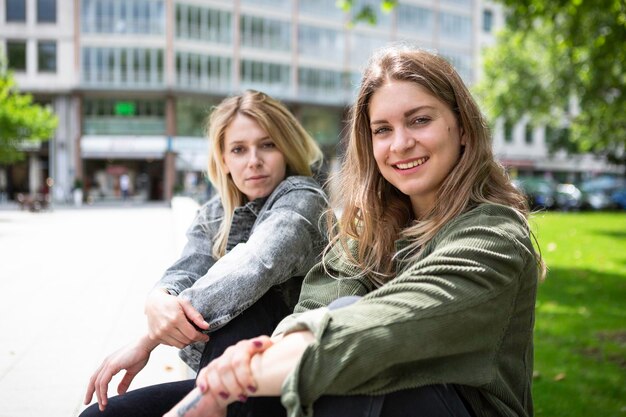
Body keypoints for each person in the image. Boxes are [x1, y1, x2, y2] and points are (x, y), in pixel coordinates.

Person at [165, 47, 544, 417]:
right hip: (330, 389)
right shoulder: (366, 232)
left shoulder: (495, 235)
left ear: (462, 128)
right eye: (382, 129)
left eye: (419, 120)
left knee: (349, 354)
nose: (400, 144)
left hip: (438, 404)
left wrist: (239, 376)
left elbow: (387, 329)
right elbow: (317, 306)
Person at [81, 90, 329, 417]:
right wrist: (159, 297)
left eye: (267, 145)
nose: (253, 160)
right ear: (224, 160)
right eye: (239, 149)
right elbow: (188, 266)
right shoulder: (215, 213)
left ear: (286, 149)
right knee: (98, 415)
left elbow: (254, 266)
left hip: (286, 381)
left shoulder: (303, 200)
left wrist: (148, 340)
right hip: (223, 379)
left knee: (253, 305)